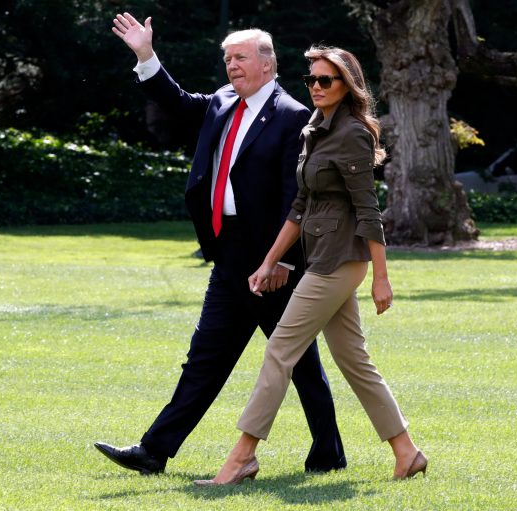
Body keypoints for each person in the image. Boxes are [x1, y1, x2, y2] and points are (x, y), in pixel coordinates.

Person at [93, 13, 346, 475]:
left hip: (272, 257)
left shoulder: (293, 117)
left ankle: (328, 453)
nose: (231, 66)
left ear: (268, 65)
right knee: (206, 357)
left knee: (294, 359)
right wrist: (145, 55)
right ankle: (154, 451)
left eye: (241, 58)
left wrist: (283, 262)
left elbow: (299, 199)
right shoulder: (221, 103)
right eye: (227, 58)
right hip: (228, 255)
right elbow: (174, 100)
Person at [194, 46, 428, 486]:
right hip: (319, 256)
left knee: (279, 350)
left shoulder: (354, 134)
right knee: (353, 359)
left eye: (327, 81)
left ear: (347, 85)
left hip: (340, 261)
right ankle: (407, 452)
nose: (316, 88)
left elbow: (368, 210)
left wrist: (381, 277)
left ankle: (242, 457)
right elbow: (299, 206)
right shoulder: (314, 130)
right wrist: (270, 261)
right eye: (312, 80)